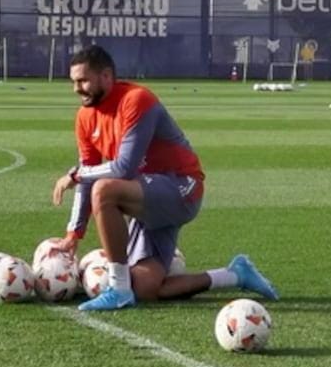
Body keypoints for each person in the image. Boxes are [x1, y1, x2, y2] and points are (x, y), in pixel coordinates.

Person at [49, 45, 279, 311]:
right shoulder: (84, 118)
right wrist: (73, 234)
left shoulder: (136, 100)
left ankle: (118, 289)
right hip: (146, 199)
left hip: (181, 188)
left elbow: (123, 167)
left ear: (106, 76)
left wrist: (75, 176)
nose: (76, 88)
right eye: (73, 81)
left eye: (83, 80)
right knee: (146, 289)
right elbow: (88, 175)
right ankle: (235, 274)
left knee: (105, 190)